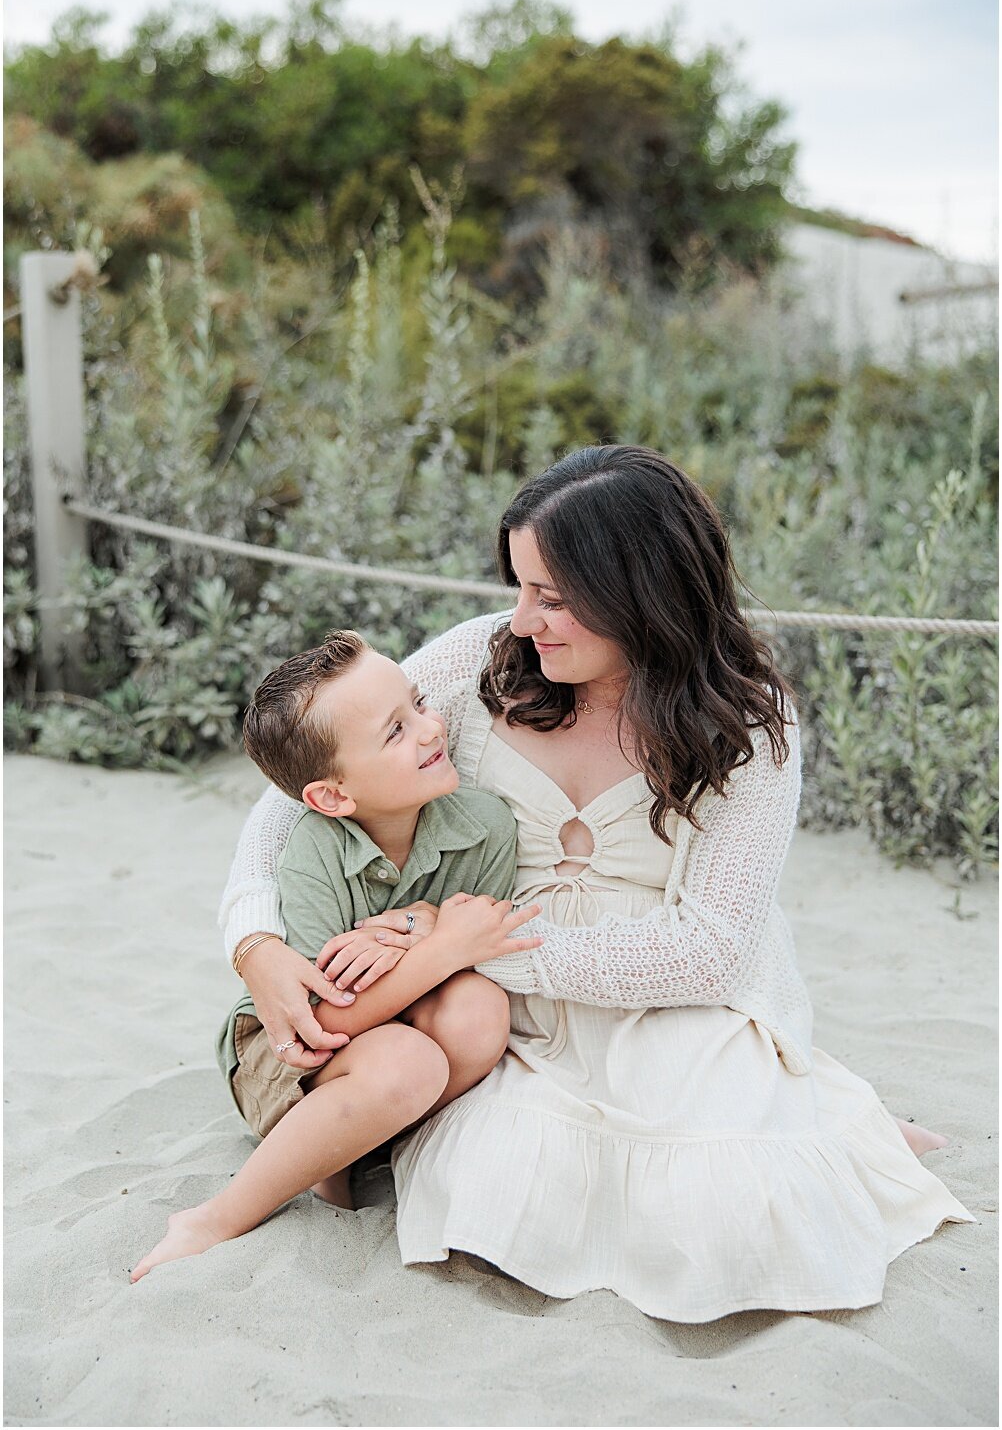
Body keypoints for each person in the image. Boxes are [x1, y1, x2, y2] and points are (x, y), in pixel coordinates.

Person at [220, 445, 973, 1322]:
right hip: (496, 1008)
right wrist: (254, 939)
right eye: (518, 585)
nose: (522, 617)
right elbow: (292, 802)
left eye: (552, 596)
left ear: (641, 590)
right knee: (495, 1188)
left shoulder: (752, 722)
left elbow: (710, 949)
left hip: (666, 993)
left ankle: (829, 1119)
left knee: (734, 1199)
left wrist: (466, 946)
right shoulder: (481, 663)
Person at [131, 631, 542, 1282]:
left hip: (397, 1031)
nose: (432, 730)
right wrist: (439, 949)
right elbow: (324, 1022)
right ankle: (220, 1214)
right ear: (332, 796)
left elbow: (477, 947)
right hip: (290, 1048)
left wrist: (430, 925)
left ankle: (353, 1149)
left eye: (419, 705)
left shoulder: (484, 825)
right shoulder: (313, 849)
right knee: (408, 1063)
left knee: (479, 1012)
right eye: (395, 732)